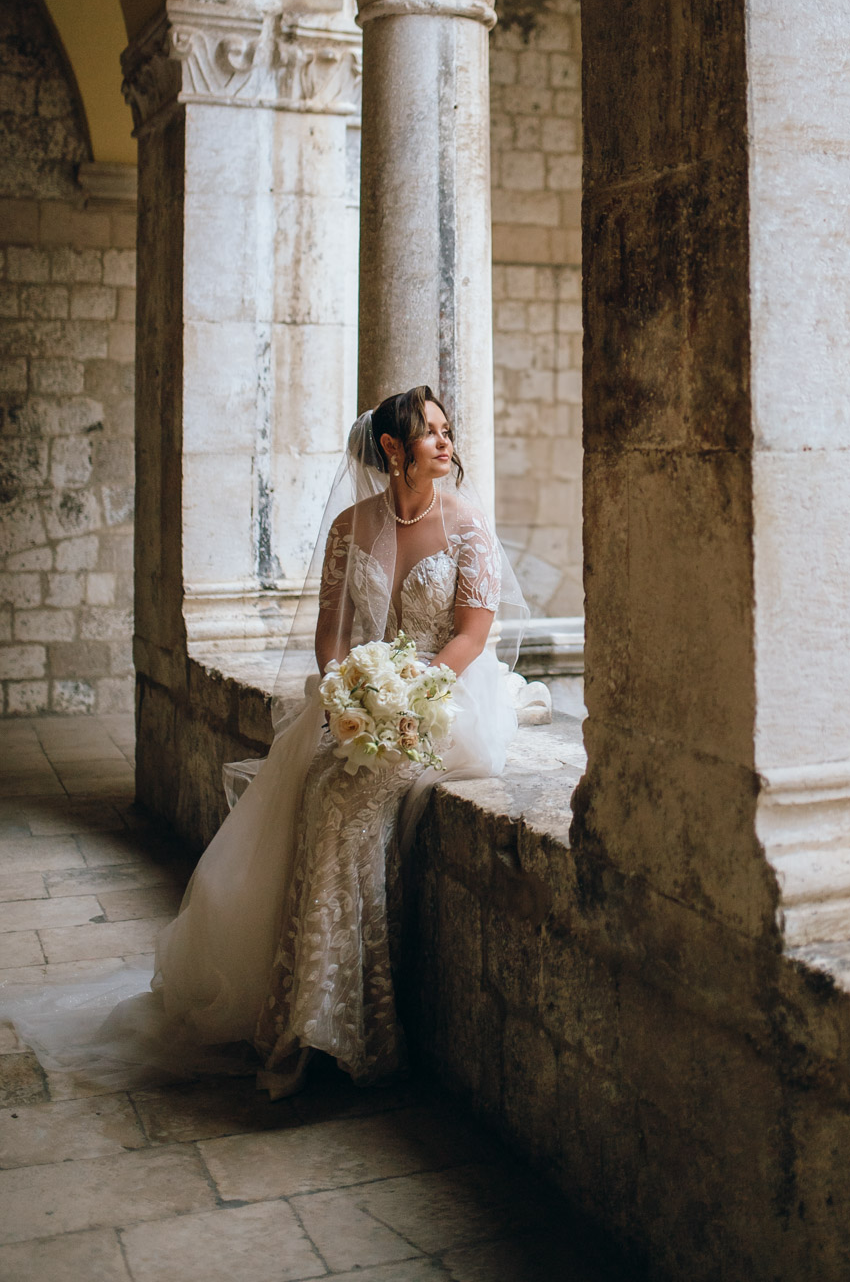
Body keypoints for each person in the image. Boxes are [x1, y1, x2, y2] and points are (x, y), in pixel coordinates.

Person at [1, 387, 525, 1095]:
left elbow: (471, 631)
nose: (445, 443)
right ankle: (314, 1008)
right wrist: (350, 690)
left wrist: (411, 693)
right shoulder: (349, 526)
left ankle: (338, 1018)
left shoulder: (467, 525)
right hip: (361, 700)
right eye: (428, 433)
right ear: (392, 449)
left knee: (342, 803)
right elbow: (332, 635)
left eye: (446, 431)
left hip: (445, 698)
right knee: (315, 790)